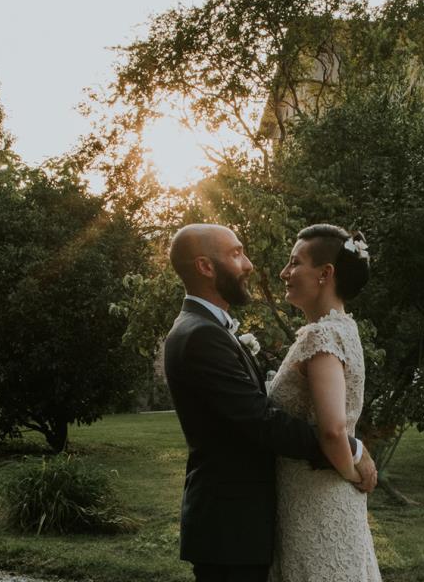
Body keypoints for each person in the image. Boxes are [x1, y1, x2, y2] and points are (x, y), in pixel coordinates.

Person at [163, 223, 378, 582]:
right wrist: (351, 451)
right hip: (231, 527)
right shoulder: (200, 335)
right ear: (205, 266)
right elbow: (262, 421)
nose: (249, 265)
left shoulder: (207, 330)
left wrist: (341, 444)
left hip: (266, 519)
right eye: (236, 254)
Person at [269, 223, 381, 582]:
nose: (285, 273)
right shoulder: (344, 328)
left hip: (318, 500)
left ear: (325, 273)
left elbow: (332, 429)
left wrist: (351, 473)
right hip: (316, 495)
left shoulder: (322, 336)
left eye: (294, 263)